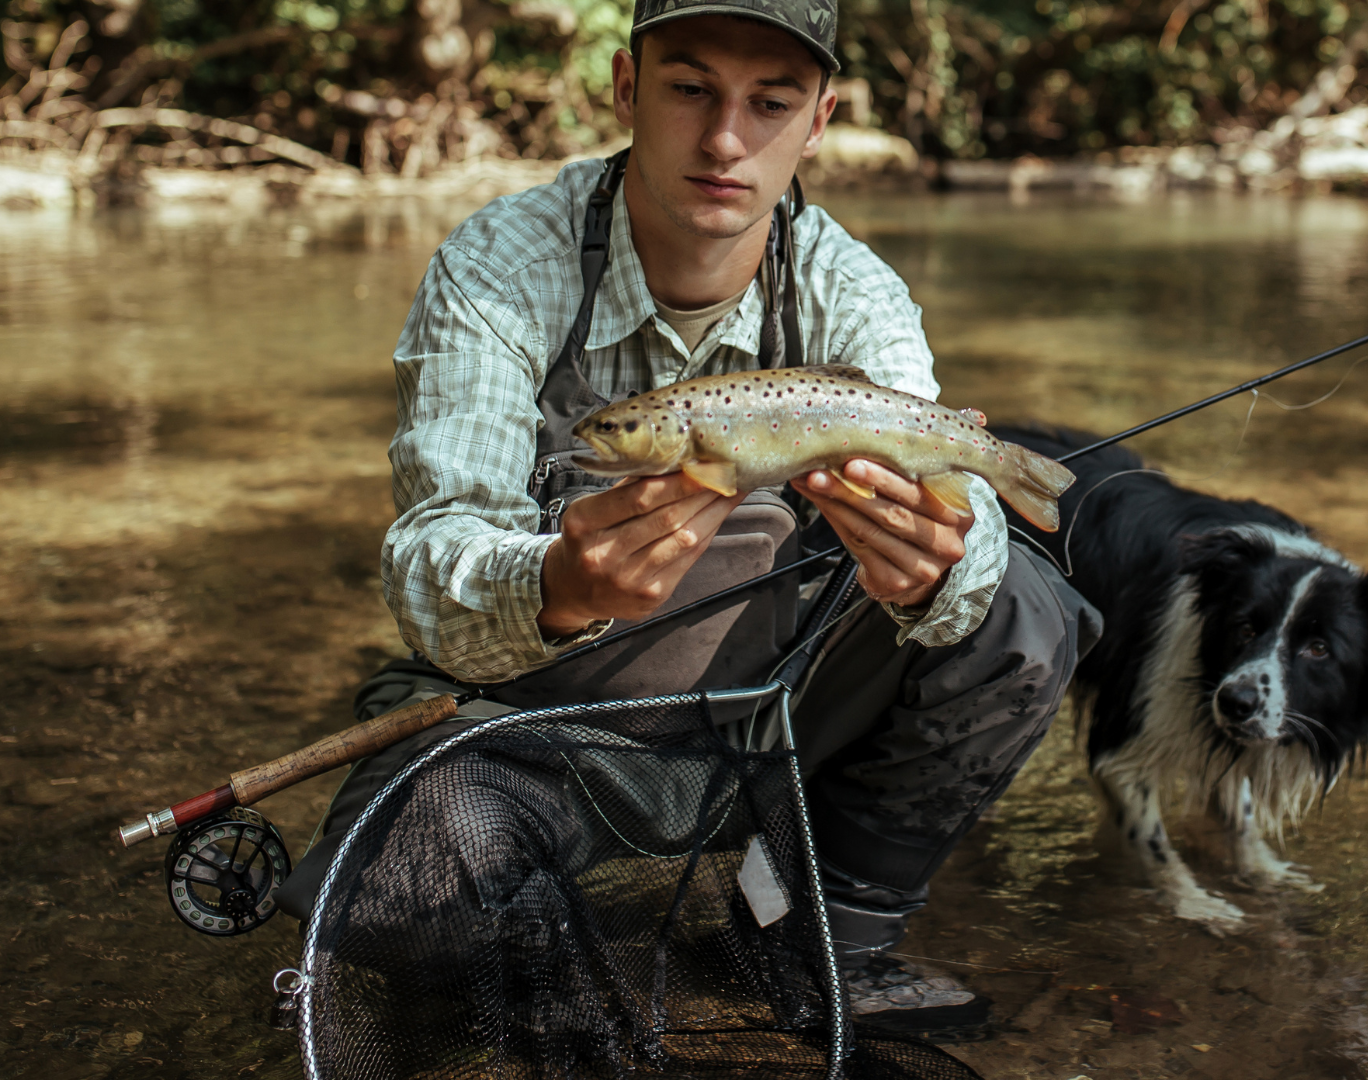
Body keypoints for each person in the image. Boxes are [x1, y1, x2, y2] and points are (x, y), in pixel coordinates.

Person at [273, 0, 1099, 1039]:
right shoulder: (498, 273)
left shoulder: (856, 292)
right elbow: (432, 574)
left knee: (1024, 611)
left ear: (821, 117)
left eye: (770, 102)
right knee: (408, 886)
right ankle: (561, 956)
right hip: (536, 736)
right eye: (689, 89)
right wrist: (559, 587)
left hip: (774, 725)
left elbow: (964, 537)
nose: (724, 139)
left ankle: (820, 937)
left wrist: (940, 565)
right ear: (626, 89)